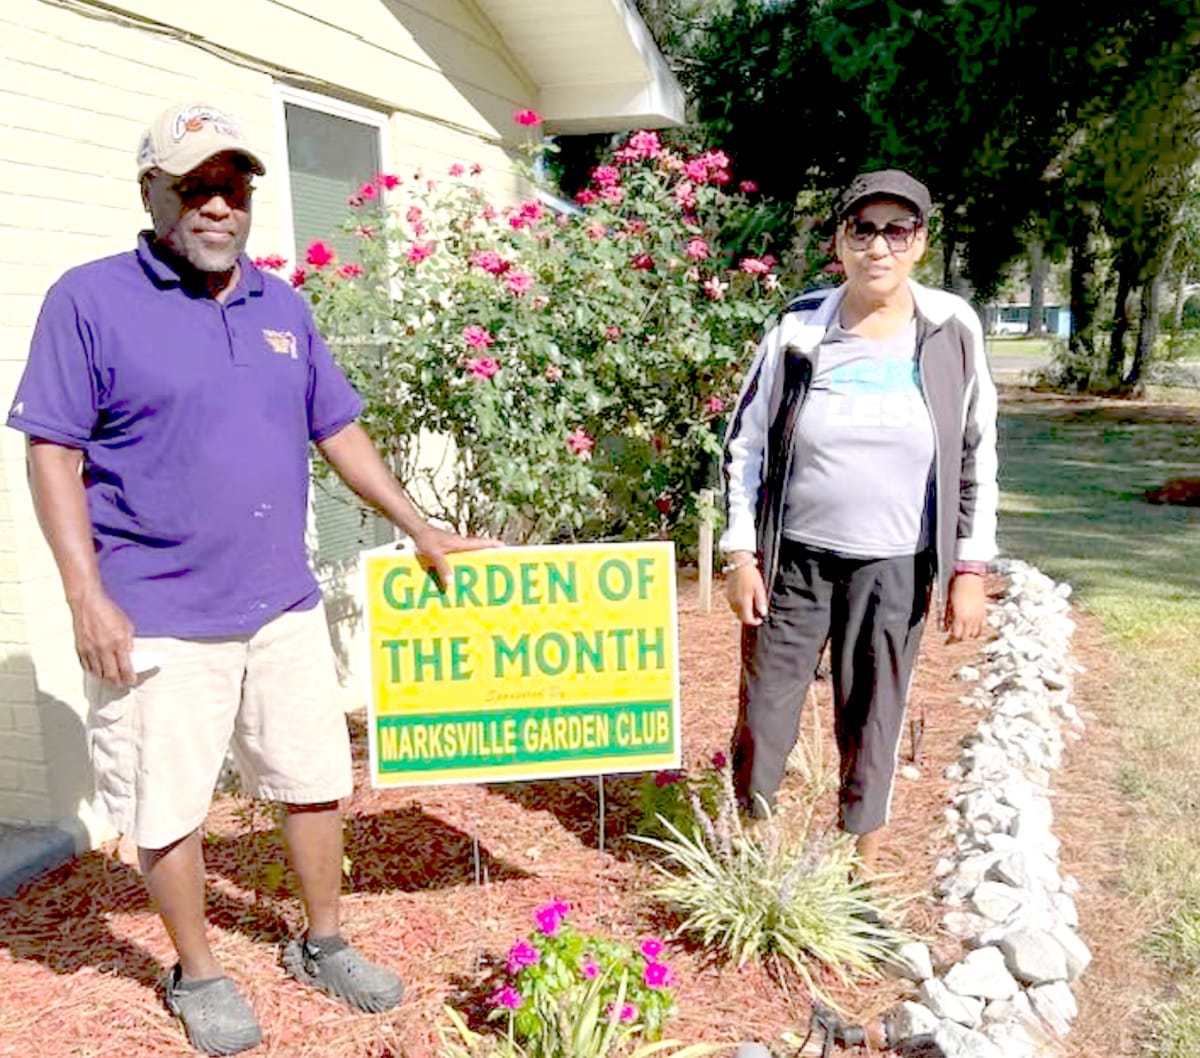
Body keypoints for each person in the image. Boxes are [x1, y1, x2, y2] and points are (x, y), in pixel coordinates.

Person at [7, 102, 497, 1055]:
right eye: (195, 186)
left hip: (280, 605)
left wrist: (421, 526)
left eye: (232, 187)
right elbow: (52, 453)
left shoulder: (283, 305)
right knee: (167, 803)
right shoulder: (89, 299)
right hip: (154, 613)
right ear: (151, 193)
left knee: (313, 782)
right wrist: (85, 594)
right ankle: (198, 972)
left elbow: (338, 428)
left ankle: (323, 941)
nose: (217, 206)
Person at [719, 169, 998, 875]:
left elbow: (975, 452)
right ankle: (754, 859)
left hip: (896, 562)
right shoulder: (799, 326)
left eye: (897, 230)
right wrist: (740, 555)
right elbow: (745, 442)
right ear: (841, 240)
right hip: (794, 562)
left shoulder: (951, 329)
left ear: (920, 242)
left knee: (875, 717)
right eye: (863, 228)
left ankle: (859, 869)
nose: (880, 246)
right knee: (766, 711)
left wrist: (969, 568)